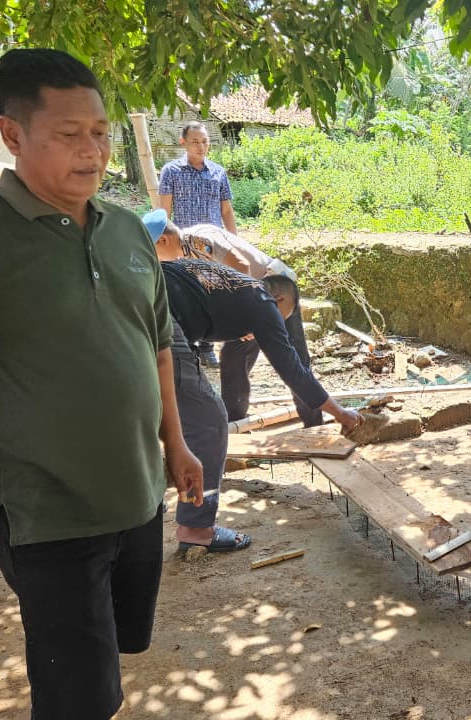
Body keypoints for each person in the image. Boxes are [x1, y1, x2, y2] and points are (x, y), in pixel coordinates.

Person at [0, 49, 203, 719]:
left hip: (138, 497)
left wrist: (177, 441)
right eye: (69, 133)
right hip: (47, 515)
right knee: (78, 698)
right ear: (13, 134)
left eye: (100, 132)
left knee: (114, 653)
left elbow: (158, 346)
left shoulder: (126, 229)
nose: (93, 151)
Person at [143, 212, 364, 551]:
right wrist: (341, 413)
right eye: (284, 316)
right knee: (209, 421)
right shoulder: (262, 301)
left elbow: (194, 309)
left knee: (148, 412)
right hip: (156, 310)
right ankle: (196, 528)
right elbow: (292, 369)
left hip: (134, 299)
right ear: (280, 300)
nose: (279, 323)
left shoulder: (231, 288)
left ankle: (143, 509)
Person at [143, 210, 323, 427]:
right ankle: (234, 422)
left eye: (154, 251)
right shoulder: (184, 256)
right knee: (233, 360)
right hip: (252, 305)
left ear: (163, 240)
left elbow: (240, 265)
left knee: (293, 359)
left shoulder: (199, 239)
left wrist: (250, 311)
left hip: (277, 295)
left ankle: (315, 424)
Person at [157, 121, 236, 366]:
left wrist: (234, 241)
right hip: (183, 245)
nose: (201, 146)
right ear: (183, 142)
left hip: (214, 246)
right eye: (195, 141)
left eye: (204, 142)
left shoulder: (218, 172)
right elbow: (164, 211)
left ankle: (207, 346)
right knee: (188, 296)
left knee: (214, 293)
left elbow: (226, 210)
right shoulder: (171, 171)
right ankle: (188, 345)